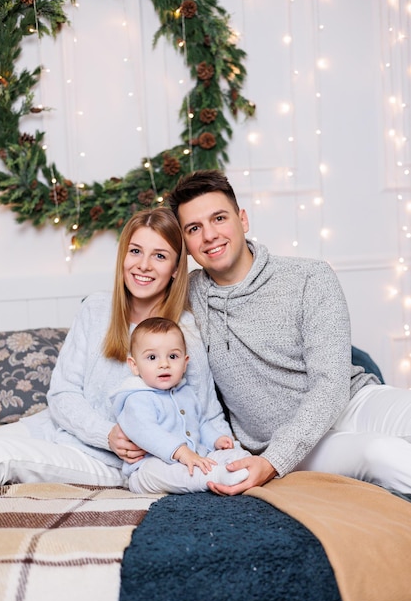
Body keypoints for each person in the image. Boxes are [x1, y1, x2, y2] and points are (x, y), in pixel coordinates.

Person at [168, 169, 411, 496]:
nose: (209, 235)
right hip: (289, 443)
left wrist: (272, 462)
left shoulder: (309, 277)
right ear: (185, 242)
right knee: (381, 454)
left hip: (352, 401)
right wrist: (273, 460)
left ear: (243, 219)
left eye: (219, 218)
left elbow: (332, 384)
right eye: (194, 228)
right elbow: (134, 309)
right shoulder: (186, 297)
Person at [0, 207, 230, 487]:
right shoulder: (95, 308)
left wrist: (229, 456)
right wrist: (106, 432)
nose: (143, 265)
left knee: (0, 456)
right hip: (55, 427)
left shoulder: (183, 332)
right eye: (135, 251)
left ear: (176, 269)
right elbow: (62, 393)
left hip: (104, 459)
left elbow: (206, 412)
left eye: (159, 256)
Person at [112, 317, 250, 494]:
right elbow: (147, 432)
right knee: (161, 472)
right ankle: (214, 477)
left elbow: (200, 422)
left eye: (173, 356)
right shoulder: (137, 400)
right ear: (134, 365)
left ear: (185, 363)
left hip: (196, 456)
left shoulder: (186, 393)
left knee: (230, 453)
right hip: (148, 467)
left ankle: (243, 465)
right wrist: (181, 452)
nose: (164, 364)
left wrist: (216, 439)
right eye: (152, 357)